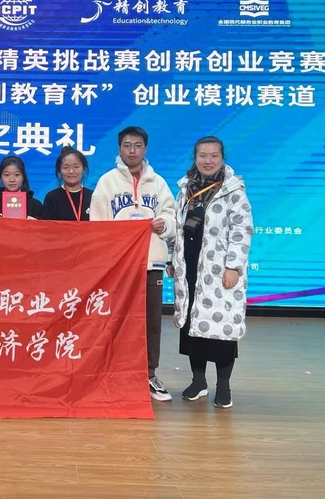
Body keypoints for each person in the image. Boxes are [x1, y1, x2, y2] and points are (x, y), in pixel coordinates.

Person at [90, 125, 176, 402]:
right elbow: (97, 225)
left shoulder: (158, 183)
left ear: (145, 149)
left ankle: (149, 374)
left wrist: (165, 225)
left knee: (151, 322)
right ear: (119, 149)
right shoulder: (107, 182)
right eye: (127, 145)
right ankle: (114, 373)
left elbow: (172, 217)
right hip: (119, 267)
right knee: (116, 321)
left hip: (151, 264)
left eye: (137, 145)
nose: (132, 151)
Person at [167, 136, 253, 409]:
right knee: (193, 328)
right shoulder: (185, 188)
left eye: (214, 155)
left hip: (219, 270)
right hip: (189, 266)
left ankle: (224, 385)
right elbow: (177, 228)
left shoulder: (233, 190)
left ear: (222, 158)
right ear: (195, 158)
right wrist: (171, 258)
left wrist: (233, 266)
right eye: (202, 155)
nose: (208, 161)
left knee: (221, 329)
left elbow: (242, 231)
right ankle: (198, 381)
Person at [0, 155, 45, 219]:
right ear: (1, 177)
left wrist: (35, 224)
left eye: (17, 175)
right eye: (7, 175)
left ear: (23, 177)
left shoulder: (35, 206)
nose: (12, 179)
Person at [42, 146, 93, 221]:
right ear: (59, 170)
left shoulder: (93, 196)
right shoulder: (52, 198)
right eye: (66, 167)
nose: (71, 171)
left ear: (84, 169)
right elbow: (46, 226)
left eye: (76, 167)